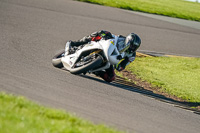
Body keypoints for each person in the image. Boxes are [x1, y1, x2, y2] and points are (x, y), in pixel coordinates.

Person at [65, 30, 141, 82]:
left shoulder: (132, 55)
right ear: (128, 41)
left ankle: (93, 70)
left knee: (111, 77)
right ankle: (76, 43)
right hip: (106, 47)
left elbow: (124, 64)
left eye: (135, 47)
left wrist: (120, 66)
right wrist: (105, 34)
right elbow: (112, 36)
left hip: (110, 59)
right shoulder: (121, 39)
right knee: (98, 34)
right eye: (132, 45)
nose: (132, 48)